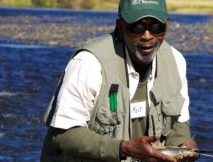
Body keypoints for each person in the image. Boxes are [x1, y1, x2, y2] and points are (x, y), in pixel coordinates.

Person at [40, 0, 198, 161]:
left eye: (156, 27)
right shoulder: (89, 63)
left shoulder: (176, 61)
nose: (147, 36)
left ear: (167, 25)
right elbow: (62, 134)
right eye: (136, 27)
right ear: (120, 26)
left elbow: (179, 125)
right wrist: (124, 149)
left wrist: (183, 145)